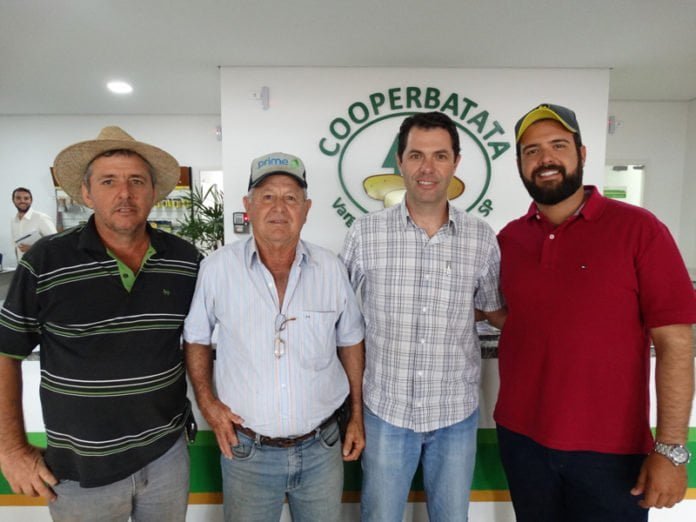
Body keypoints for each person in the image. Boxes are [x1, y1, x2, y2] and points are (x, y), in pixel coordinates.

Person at [495, 103, 696, 521]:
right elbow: (521, 318)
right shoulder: (510, 239)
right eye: (531, 151)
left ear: (582, 154)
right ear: (519, 164)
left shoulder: (640, 229)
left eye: (558, 145)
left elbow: (675, 342)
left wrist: (671, 449)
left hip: (610, 452)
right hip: (521, 440)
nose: (545, 159)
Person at [0, 126, 200, 521]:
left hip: (166, 456)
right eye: (109, 181)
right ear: (87, 193)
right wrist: (11, 448)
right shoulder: (46, 260)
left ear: (153, 192)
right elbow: (6, 352)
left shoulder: (185, 260)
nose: (124, 193)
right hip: (80, 470)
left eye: (136, 181)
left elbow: (203, 338)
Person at [340, 111, 505, 521]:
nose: (427, 168)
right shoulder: (365, 233)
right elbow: (338, 315)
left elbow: (492, 310)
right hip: (385, 411)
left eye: (440, 156)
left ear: (456, 162)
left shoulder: (481, 237)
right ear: (399, 161)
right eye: (416, 155)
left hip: (455, 414)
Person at [183, 152, 365, 522]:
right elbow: (196, 337)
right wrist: (207, 403)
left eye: (290, 198)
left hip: (322, 447)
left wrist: (357, 416)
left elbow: (350, 341)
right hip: (247, 450)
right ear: (248, 205)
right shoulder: (217, 269)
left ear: (306, 209)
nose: (279, 208)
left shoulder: (331, 269)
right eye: (267, 196)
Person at [10, 186, 57, 262]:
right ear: (13, 200)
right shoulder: (13, 221)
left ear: (31, 201)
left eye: (26, 198)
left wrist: (32, 248)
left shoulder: (41, 218)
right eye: (18, 198)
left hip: (40, 266)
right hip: (22, 265)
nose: (22, 201)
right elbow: (16, 247)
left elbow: (55, 243)